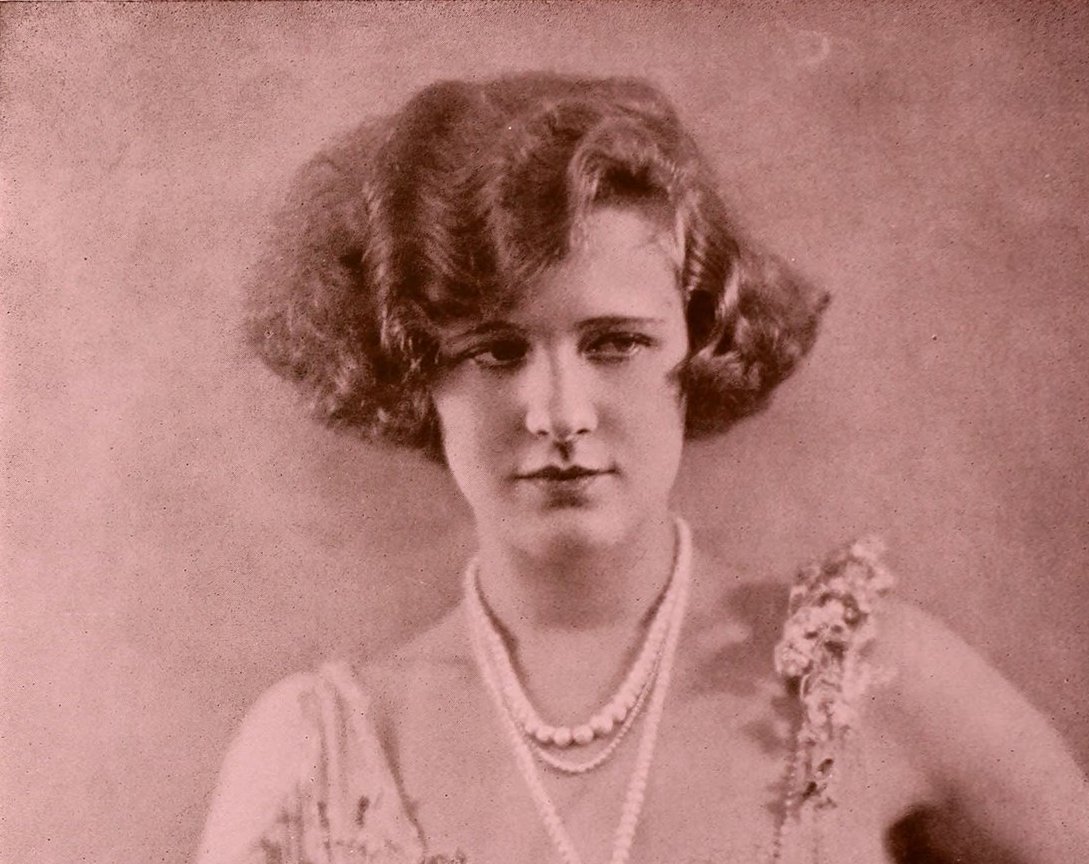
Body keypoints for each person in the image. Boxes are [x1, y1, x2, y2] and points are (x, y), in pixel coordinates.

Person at [195, 73, 1089, 864]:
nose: (560, 414)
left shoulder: (865, 681)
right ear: (415, 375)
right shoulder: (316, 753)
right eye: (495, 352)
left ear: (698, 346)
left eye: (614, 343)